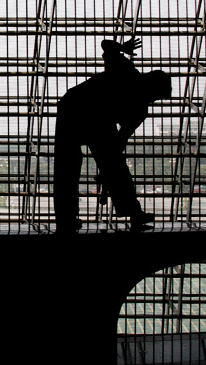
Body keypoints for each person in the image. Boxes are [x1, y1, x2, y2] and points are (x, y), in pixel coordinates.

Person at [53, 37, 171, 234]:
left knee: (68, 166)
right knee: (110, 165)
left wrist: (121, 48)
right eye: (155, 96)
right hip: (91, 115)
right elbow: (119, 141)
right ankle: (131, 210)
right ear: (150, 86)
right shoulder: (133, 89)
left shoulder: (128, 76)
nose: (152, 100)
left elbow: (107, 45)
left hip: (77, 108)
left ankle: (66, 218)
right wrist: (108, 167)